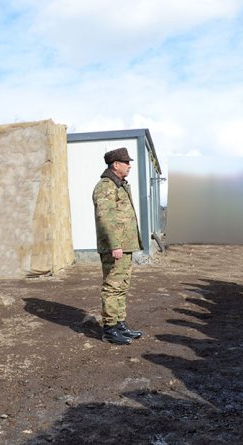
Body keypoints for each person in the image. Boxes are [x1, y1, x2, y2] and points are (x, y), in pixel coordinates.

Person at [92, 147, 143, 345]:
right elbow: (105, 218)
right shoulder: (106, 186)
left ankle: (120, 323)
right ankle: (110, 328)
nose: (129, 166)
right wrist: (115, 244)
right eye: (126, 162)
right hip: (115, 246)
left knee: (122, 286)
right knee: (112, 286)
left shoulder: (119, 185)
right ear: (115, 164)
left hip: (125, 245)